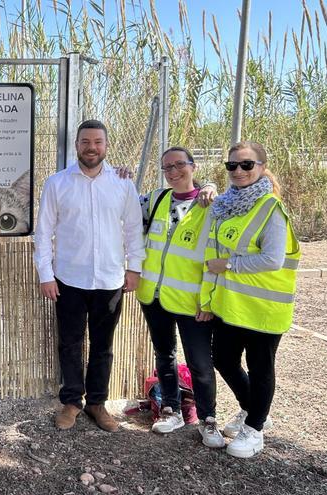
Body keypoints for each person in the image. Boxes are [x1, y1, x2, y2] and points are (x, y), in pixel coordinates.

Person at [34, 119, 145, 433]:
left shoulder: (123, 182)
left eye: (97, 142)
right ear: (77, 145)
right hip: (69, 279)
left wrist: (134, 267)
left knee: (102, 346)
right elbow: (43, 233)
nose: (91, 147)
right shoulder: (57, 183)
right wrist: (46, 274)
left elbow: (134, 229)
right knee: (69, 343)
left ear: (106, 146)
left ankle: (97, 403)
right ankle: (72, 402)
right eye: (85, 142)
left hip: (110, 280)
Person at [198, 141, 300, 458]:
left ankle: (254, 430)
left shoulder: (270, 208)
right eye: (232, 166)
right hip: (234, 306)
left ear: (261, 167)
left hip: (265, 308)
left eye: (246, 165)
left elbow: (273, 259)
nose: (238, 171)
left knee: (260, 368)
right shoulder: (227, 205)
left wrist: (229, 265)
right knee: (224, 359)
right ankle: (253, 409)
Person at [135, 146, 225, 448]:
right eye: (167, 167)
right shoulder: (156, 199)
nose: (173, 172)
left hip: (192, 302)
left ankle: (208, 419)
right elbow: (121, 205)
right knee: (165, 356)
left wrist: (208, 300)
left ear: (193, 166)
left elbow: (216, 255)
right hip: (155, 296)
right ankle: (170, 409)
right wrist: (120, 176)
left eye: (179, 165)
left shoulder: (211, 206)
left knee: (200, 363)